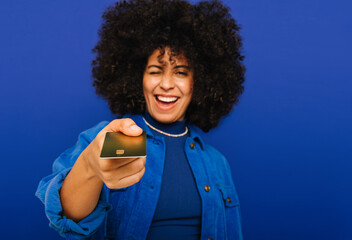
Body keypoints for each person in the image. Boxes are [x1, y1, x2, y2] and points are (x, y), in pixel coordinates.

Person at [36, 0, 245, 239]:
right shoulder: (118, 138)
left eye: (180, 72)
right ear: (137, 77)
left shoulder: (216, 162)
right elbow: (68, 218)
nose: (166, 84)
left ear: (199, 83)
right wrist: (91, 166)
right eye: (155, 71)